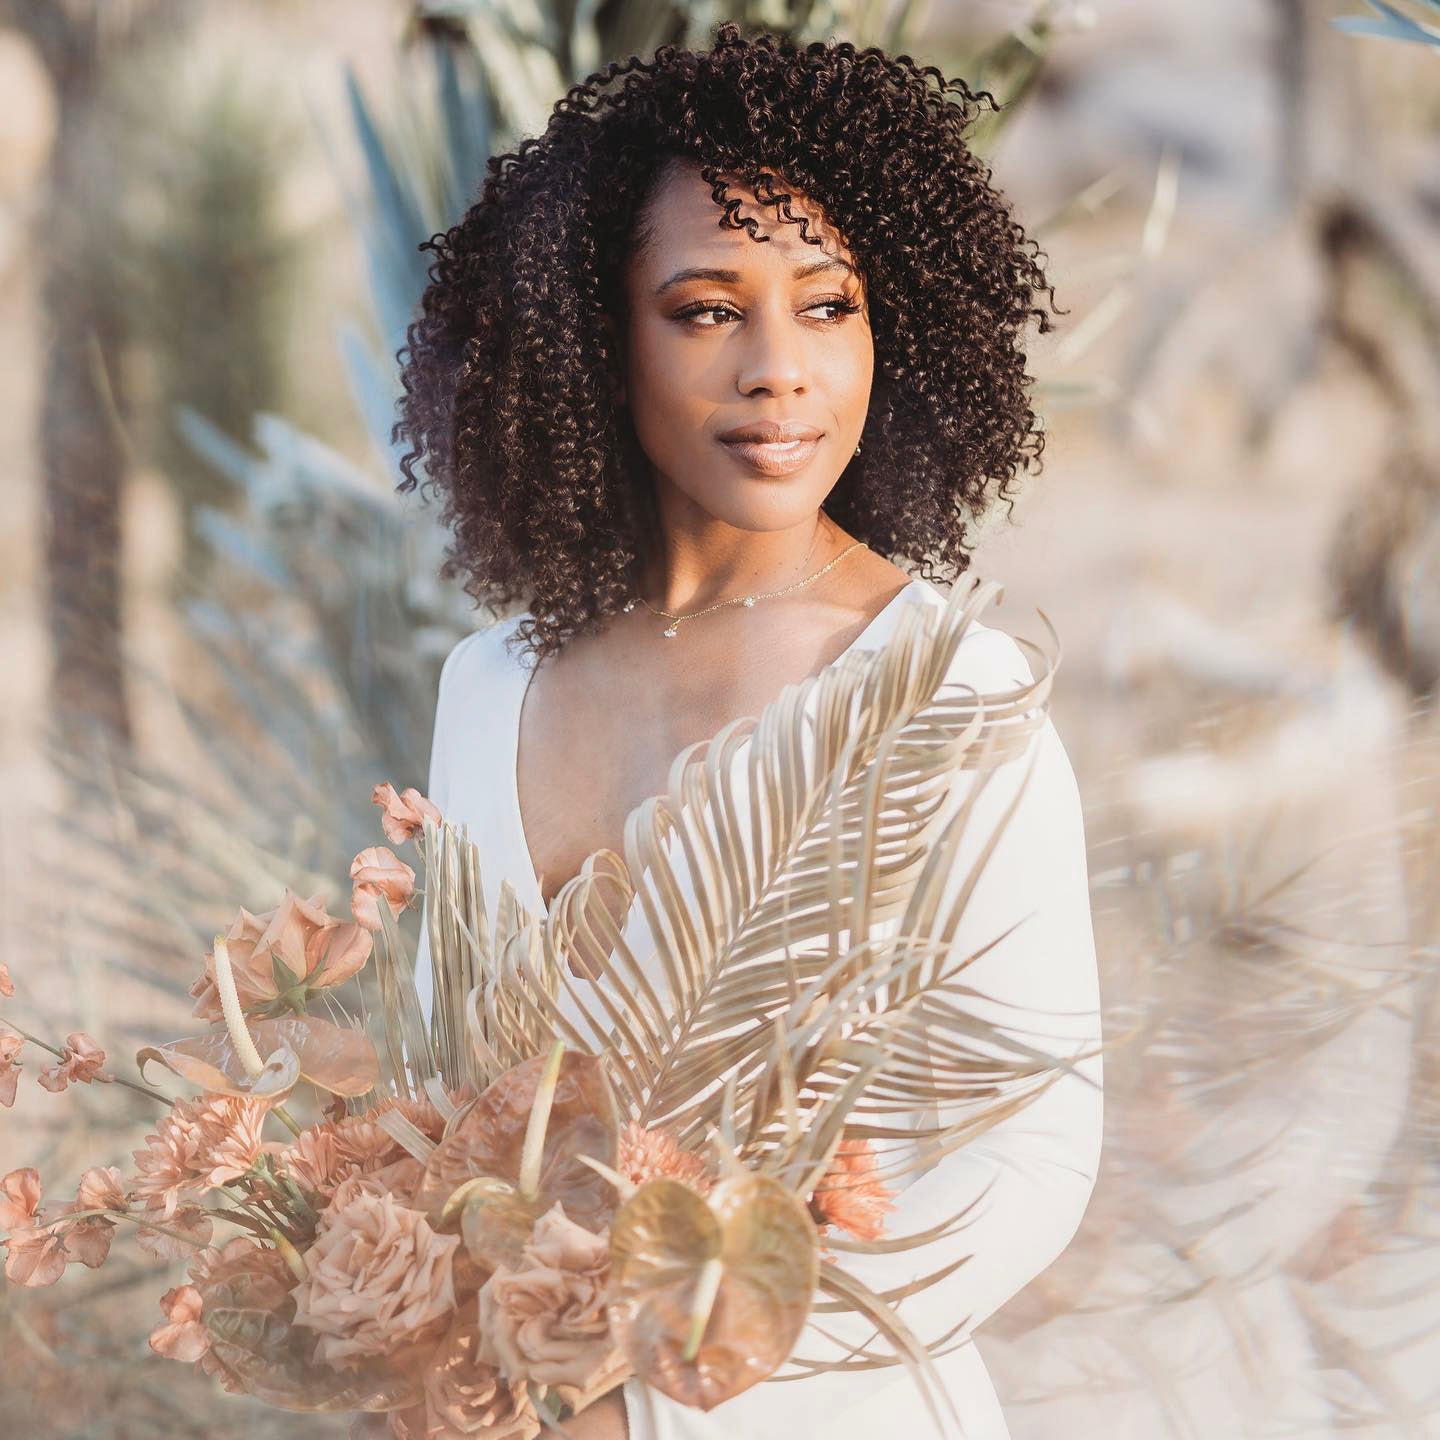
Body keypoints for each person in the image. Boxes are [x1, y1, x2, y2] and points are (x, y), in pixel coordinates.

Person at [395, 23, 1102, 1440]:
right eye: (708, 308)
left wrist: (659, 1386)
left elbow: (1034, 1160)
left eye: (829, 305)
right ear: (599, 331)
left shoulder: (950, 696)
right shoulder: (487, 688)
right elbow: (447, 1106)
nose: (780, 368)